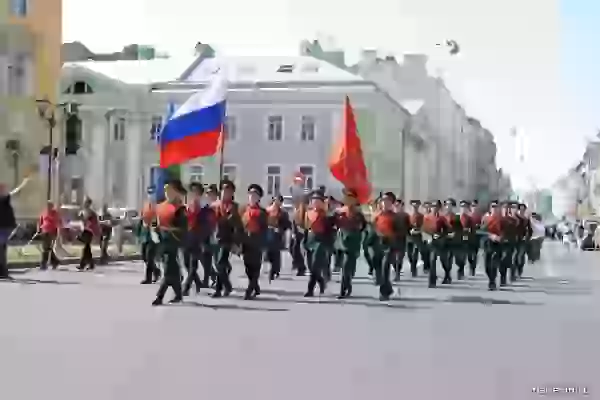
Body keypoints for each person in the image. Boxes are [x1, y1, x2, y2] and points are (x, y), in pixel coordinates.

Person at [152, 179, 187, 306]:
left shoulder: (180, 210)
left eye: (171, 190)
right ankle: (178, 294)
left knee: (167, 270)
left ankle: (159, 296)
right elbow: (155, 222)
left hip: (173, 242)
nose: (168, 193)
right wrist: (155, 227)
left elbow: (183, 229)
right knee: (173, 270)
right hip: (161, 241)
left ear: (177, 192)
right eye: (166, 190)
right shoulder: (161, 206)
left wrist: (169, 229)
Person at [211, 179, 242, 298]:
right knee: (219, 265)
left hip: (226, 239)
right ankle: (221, 289)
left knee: (220, 264)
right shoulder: (214, 205)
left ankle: (224, 287)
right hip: (214, 238)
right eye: (224, 190)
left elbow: (238, 226)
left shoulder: (234, 207)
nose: (226, 193)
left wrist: (237, 242)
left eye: (229, 191)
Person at [333, 188, 366, 299]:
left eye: (350, 198)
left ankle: (346, 288)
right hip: (342, 241)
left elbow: (363, 227)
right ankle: (345, 288)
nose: (347, 200)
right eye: (346, 197)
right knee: (345, 266)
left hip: (352, 242)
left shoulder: (358, 214)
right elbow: (333, 223)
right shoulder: (339, 212)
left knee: (348, 266)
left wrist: (356, 233)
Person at [303, 190, 334, 297]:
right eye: (313, 201)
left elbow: (330, 231)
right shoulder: (308, 213)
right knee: (311, 267)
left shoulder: (326, 216)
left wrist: (329, 246)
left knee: (315, 265)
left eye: (318, 201)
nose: (315, 203)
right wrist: (304, 242)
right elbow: (306, 228)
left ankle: (310, 289)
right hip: (310, 240)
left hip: (321, 242)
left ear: (322, 203)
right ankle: (321, 282)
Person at [240, 184, 268, 299]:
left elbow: (264, 229)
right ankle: (255, 286)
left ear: (258, 198)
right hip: (246, 242)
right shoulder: (243, 210)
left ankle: (249, 290)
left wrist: (264, 244)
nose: (252, 196)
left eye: (255, 195)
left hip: (257, 242)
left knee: (255, 267)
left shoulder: (262, 212)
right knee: (247, 268)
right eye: (250, 194)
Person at [0, 175, 31, 278]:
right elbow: (15, 193)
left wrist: (24, 184)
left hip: (5, 228)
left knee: (2, 248)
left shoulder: (5, 199)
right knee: (2, 249)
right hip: (4, 227)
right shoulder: (4, 199)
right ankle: (3, 271)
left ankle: (3, 271)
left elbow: (15, 193)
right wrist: (24, 183)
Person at [265, 195, 291, 282]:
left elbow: (287, 225)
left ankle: (274, 271)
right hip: (267, 234)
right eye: (276, 200)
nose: (277, 202)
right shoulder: (267, 211)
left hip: (277, 235)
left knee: (276, 253)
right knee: (268, 253)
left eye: (279, 201)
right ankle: (274, 269)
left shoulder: (283, 213)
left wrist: (280, 229)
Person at [137, 197, 161, 284]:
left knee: (149, 258)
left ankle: (148, 278)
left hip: (152, 238)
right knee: (144, 257)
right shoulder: (143, 216)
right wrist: (138, 236)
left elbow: (157, 227)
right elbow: (139, 226)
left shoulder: (155, 216)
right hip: (144, 238)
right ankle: (156, 271)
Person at [77, 197, 100, 271]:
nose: (84, 203)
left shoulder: (91, 212)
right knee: (87, 248)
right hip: (85, 230)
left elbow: (92, 222)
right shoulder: (84, 211)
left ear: (89, 203)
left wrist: (83, 217)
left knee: (86, 248)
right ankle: (91, 264)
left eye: (86, 202)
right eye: (84, 202)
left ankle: (82, 265)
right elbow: (81, 220)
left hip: (90, 231)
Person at [38, 201, 61, 270]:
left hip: (52, 232)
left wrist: (57, 232)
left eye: (50, 205)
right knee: (47, 248)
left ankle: (43, 264)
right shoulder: (44, 212)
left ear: (52, 206)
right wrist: (39, 229)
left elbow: (57, 222)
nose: (48, 207)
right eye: (47, 205)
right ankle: (55, 261)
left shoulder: (55, 213)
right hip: (44, 231)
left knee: (46, 248)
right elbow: (40, 221)